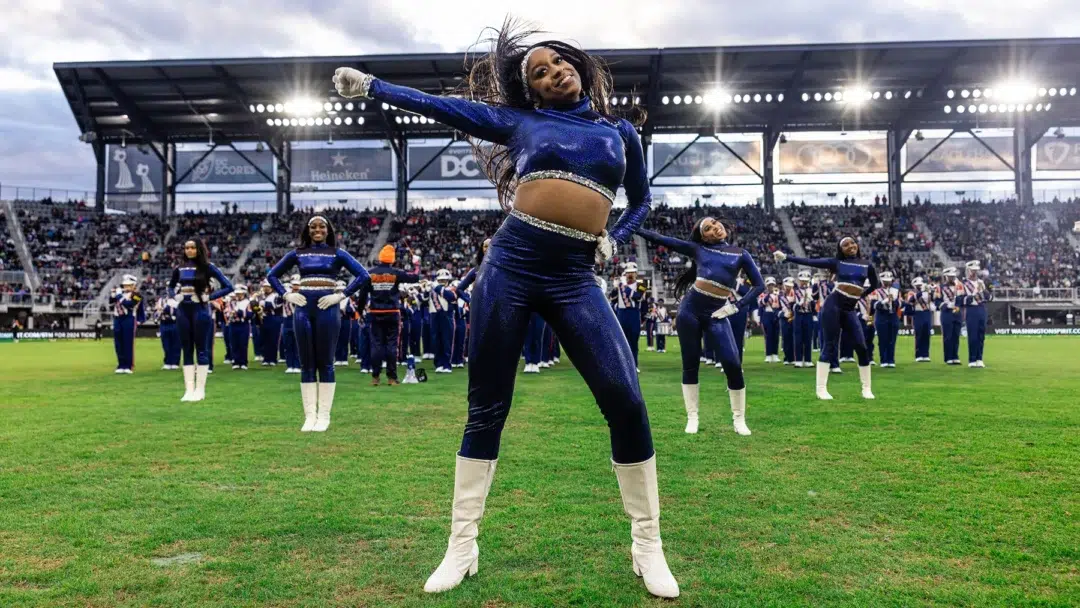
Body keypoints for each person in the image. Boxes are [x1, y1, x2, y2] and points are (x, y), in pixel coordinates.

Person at [334, 21, 678, 598]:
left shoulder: (621, 132)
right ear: (534, 93)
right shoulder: (521, 123)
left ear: (577, 66)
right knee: (487, 407)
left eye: (558, 63)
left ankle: (648, 545)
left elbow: (641, 199)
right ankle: (461, 545)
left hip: (574, 276)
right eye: (539, 73)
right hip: (511, 266)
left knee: (627, 400)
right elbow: (448, 108)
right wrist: (373, 86)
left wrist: (617, 234)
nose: (553, 73)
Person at [638, 217, 763, 435]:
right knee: (690, 364)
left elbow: (759, 285)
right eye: (708, 228)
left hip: (718, 313)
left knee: (733, 363)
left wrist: (736, 306)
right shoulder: (698, 249)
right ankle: (692, 417)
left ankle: (739, 419)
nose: (716, 228)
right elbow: (660, 238)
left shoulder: (740, 254)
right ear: (702, 236)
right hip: (691, 311)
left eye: (715, 223)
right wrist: (633, 227)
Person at [267, 215, 370, 432]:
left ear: (328, 230)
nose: (317, 229)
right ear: (307, 230)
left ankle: (324, 416)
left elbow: (363, 275)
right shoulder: (297, 253)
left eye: (321, 226)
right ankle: (309, 416)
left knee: (326, 363)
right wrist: (286, 294)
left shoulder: (337, 253)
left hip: (328, 307)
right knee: (307, 363)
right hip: (303, 308)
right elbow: (272, 275)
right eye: (312, 226)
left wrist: (341, 296)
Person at [773, 237, 879, 400]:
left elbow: (874, 284)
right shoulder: (836, 262)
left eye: (852, 243)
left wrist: (859, 296)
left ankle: (866, 389)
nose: (850, 246)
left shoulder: (867, 265)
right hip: (833, 306)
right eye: (845, 245)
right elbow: (810, 261)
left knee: (861, 346)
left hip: (849, 309)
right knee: (829, 345)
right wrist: (787, 257)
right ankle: (821, 389)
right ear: (840, 249)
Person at [169, 239, 233, 399]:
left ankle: (200, 390)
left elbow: (228, 286)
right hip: (183, 310)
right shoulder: (179, 268)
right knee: (187, 350)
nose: (189, 250)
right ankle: (188, 390)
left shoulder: (208, 267)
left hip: (201, 310)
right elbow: (170, 286)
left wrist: (208, 297)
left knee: (202, 349)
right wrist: (174, 296)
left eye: (192, 247)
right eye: (186, 247)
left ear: (199, 249)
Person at [360, 244, 421, 385]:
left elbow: (363, 294)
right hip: (393, 312)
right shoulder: (395, 273)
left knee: (376, 345)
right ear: (392, 259)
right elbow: (415, 277)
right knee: (392, 345)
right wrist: (417, 264)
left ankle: (375, 377)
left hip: (375, 312)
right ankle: (392, 378)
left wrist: (360, 310)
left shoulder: (370, 273)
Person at [611, 262, 645, 372]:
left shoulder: (642, 285)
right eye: (628, 273)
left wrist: (624, 286)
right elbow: (612, 298)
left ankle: (634, 365)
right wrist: (615, 288)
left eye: (632, 273)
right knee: (622, 341)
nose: (630, 275)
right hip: (622, 314)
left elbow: (637, 297)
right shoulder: (620, 285)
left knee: (634, 341)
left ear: (636, 273)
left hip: (634, 314)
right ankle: (622, 365)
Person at [110, 275, 144, 374]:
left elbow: (129, 305)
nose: (126, 287)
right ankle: (121, 364)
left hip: (129, 318)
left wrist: (119, 296)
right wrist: (112, 295)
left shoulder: (137, 295)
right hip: (117, 319)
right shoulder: (120, 294)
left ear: (134, 285)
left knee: (128, 342)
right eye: (125, 285)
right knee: (118, 343)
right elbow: (110, 303)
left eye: (129, 285)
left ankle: (129, 365)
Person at [427, 269, 458, 374]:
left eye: (444, 280)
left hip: (447, 316)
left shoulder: (451, 289)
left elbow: (451, 297)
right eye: (440, 280)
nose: (442, 282)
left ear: (448, 280)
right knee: (436, 340)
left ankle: (447, 364)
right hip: (434, 316)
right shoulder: (433, 289)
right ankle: (439, 363)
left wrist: (436, 287)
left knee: (447, 340)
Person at [962, 260, 990, 367]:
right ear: (968, 271)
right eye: (972, 271)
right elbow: (960, 300)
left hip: (981, 308)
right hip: (971, 309)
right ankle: (972, 359)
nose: (974, 273)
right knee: (972, 335)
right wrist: (973, 294)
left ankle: (979, 358)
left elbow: (988, 298)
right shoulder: (963, 284)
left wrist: (985, 291)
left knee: (981, 335)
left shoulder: (981, 282)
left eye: (976, 271)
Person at [872, 271, 900, 368]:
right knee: (883, 339)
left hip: (893, 316)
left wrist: (894, 301)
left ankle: (891, 360)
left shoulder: (895, 291)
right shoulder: (877, 291)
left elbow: (899, 304)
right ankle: (883, 360)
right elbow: (874, 305)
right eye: (885, 281)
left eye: (888, 281)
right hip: (881, 316)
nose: (887, 283)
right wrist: (884, 301)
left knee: (892, 339)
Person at [935, 267, 963, 365]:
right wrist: (946, 306)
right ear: (946, 276)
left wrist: (957, 307)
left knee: (956, 335)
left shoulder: (959, 286)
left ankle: (955, 356)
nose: (952, 278)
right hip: (946, 313)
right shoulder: (940, 287)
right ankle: (948, 357)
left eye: (953, 276)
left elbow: (961, 298)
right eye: (950, 276)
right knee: (948, 336)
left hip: (957, 312)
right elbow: (937, 301)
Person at [906, 276, 933, 362]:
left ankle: (926, 354)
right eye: (918, 285)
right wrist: (921, 292)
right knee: (919, 334)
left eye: (920, 285)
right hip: (917, 313)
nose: (920, 286)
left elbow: (930, 300)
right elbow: (910, 301)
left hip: (926, 312)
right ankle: (918, 354)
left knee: (926, 333)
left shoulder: (926, 292)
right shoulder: (911, 292)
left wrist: (931, 291)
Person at [792, 270, 815, 368]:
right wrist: (801, 301)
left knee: (808, 337)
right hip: (799, 315)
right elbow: (791, 305)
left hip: (808, 315)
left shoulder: (812, 290)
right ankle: (798, 359)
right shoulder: (795, 291)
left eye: (806, 281)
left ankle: (808, 359)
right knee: (798, 338)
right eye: (802, 280)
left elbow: (815, 304)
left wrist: (812, 300)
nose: (804, 282)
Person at [229, 285, 253, 370]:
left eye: (240, 294)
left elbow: (249, 314)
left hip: (243, 324)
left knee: (243, 343)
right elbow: (228, 313)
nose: (238, 295)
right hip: (233, 324)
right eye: (237, 294)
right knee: (234, 343)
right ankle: (236, 361)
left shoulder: (247, 302)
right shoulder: (232, 302)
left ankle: (243, 362)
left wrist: (239, 312)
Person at [757, 277, 781, 362]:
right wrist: (768, 294)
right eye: (769, 285)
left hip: (776, 314)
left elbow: (780, 305)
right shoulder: (762, 294)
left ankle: (775, 354)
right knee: (768, 335)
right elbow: (761, 303)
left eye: (772, 285)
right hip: (767, 315)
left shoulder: (778, 294)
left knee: (776, 335)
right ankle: (768, 354)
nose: (771, 287)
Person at [259, 280, 283, 366]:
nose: (266, 288)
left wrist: (264, 303)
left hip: (274, 318)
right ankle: (266, 358)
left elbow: (275, 306)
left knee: (273, 339)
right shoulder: (261, 296)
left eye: (268, 286)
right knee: (264, 339)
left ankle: (273, 359)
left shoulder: (276, 296)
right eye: (265, 286)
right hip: (263, 318)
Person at [281, 276, 302, 373]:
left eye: (297, 285)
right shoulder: (286, 295)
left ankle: (297, 365)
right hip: (287, 321)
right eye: (294, 285)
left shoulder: (303, 295)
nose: (296, 287)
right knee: (288, 344)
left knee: (298, 345)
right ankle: (290, 365)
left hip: (298, 320)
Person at [158, 297, 180, 370]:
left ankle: (175, 362)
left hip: (175, 323)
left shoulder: (178, 299)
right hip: (164, 323)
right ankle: (167, 362)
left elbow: (178, 311)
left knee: (176, 343)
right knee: (166, 344)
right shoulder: (162, 300)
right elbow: (159, 310)